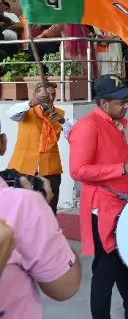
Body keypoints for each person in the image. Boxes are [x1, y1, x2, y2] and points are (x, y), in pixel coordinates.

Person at [69, 74, 128, 319]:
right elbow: (78, 171)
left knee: (124, 259)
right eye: (121, 101)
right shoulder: (87, 127)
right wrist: (122, 169)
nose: (126, 105)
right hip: (103, 209)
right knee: (105, 269)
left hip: (122, 205)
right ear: (103, 103)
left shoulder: (116, 123)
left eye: (126, 100)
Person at [0, 129, 82, 319]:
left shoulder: (57, 116)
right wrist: (40, 221)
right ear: (3, 143)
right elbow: (65, 287)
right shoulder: (24, 205)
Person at [5, 82, 75, 213]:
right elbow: (10, 113)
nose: (50, 97)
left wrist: (62, 121)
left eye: (52, 94)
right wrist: (32, 103)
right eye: (45, 95)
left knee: (49, 208)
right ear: (35, 95)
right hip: (22, 168)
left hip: (50, 169)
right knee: (20, 209)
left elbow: (76, 136)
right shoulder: (25, 111)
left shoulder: (60, 114)